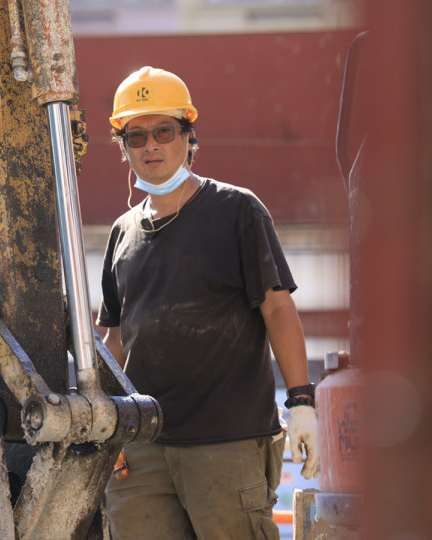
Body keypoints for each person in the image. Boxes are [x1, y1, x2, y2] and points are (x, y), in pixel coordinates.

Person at [96, 66, 319, 539]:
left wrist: (301, 401)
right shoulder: (122, 233)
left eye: (164, 131)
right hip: (142, 448)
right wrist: (99, 418)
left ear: (188, 136)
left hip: (226, 442)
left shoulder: (237, 211)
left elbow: (278, 308)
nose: (151, 145)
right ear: (124, 147)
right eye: (136, 136)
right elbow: (115, 340)